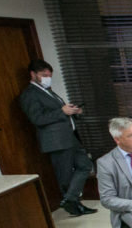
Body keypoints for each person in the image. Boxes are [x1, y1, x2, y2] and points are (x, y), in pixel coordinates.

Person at [19, 59, 96, 217]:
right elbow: (38, 119)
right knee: (65, 175)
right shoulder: (29, 94)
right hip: (56, 141)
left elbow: (60, 112)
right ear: (33, 74)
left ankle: (70, 199)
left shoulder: (49, 91)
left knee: (85, 165)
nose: (47, 77)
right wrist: (62, 111)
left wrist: (74, 112)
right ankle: (73, 204)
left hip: (70, 138)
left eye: (49, 75)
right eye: (43, 75)